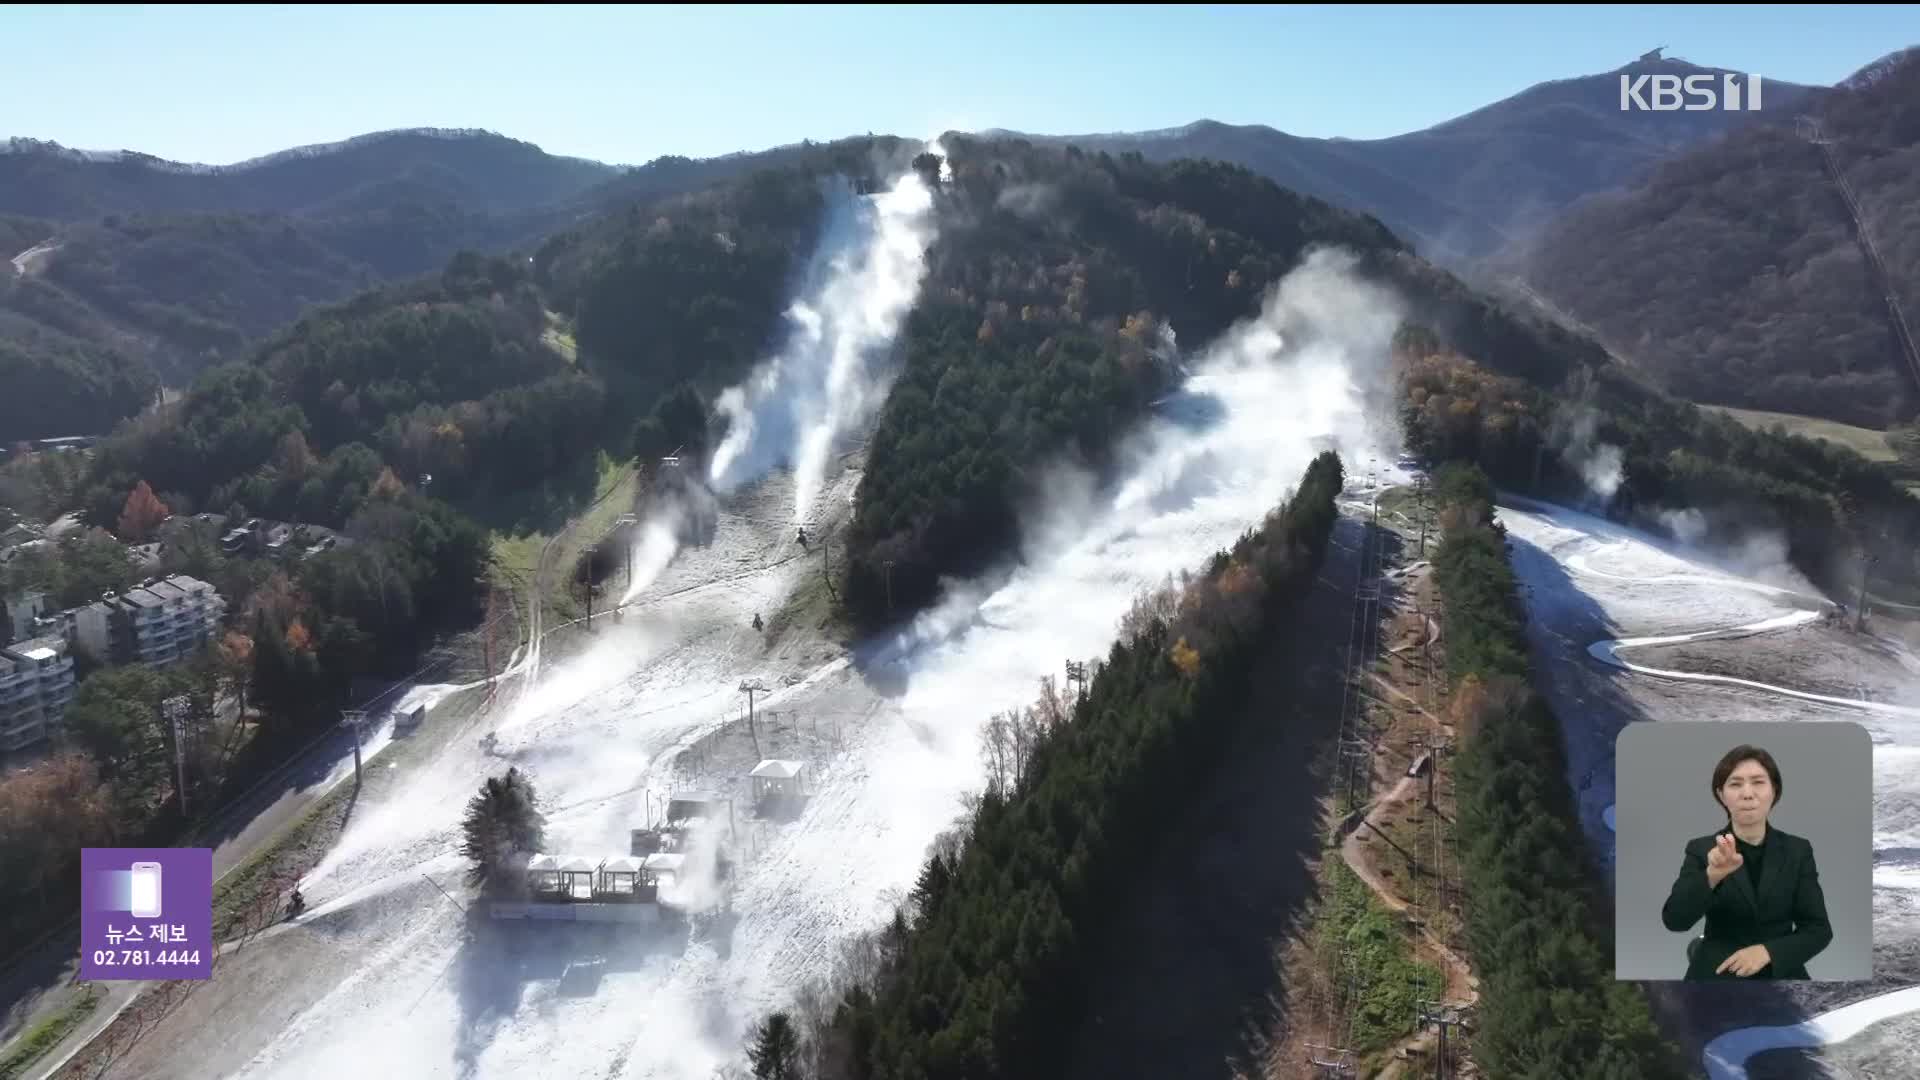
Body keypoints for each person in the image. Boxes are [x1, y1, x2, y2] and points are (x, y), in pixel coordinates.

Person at [1660, 744, 1832, 979]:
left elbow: (1819, 930)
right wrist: (1712, 876)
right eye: (1735, 784)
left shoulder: (1797, 850)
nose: (1748, 793)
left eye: (1758, 782)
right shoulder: (1701, 849)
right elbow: (1675, 920)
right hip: (1716, 974)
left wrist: (1766, 952)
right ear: (1721, 795)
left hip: (1781, 971)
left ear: (1774, 790)